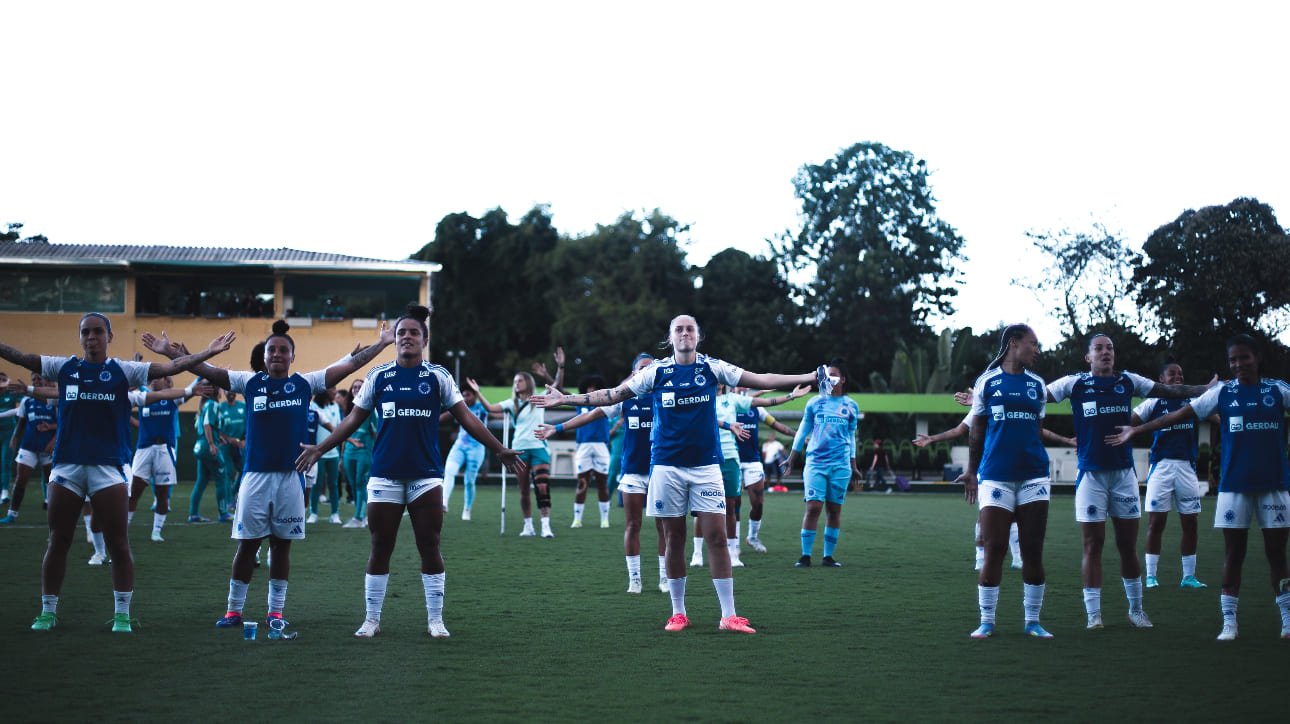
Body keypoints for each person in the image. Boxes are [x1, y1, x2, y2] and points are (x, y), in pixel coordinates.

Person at [533, 314, 829, 634]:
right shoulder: (655, 372)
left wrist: (812, 376)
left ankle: (728, 615)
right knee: (675, 538)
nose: (685, 333)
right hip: (667, 467)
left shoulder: (712, 367)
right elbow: (612, 395)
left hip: (706, 467)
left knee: (716, 537)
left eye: (690, 329)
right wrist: (566, 399)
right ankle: (678, 612)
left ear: (698, 336)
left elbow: (761, 378)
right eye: (679, 329)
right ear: (670, 337)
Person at [146, 319, 391, 637]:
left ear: (292, 356)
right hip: (255, 479)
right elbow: (209, 372)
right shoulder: (250, 383)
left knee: (281, 546)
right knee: (247, 545)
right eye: (271, 350)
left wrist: (382, 343)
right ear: (264, 357)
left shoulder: (305, 383)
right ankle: (234, 609)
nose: (276, 354)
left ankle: (276, 612)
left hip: (291, 478)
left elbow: (349, 365)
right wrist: (178, 353)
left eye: (283, 350)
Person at [296, 305, 524, 638]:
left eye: (413, 332)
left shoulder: (438, 376)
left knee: (430, 544)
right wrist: (320, 448)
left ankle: (435, 619)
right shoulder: (379, 376)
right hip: (385, 474)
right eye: (401, 332)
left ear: (424, 340)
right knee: (380, 546)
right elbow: (352, 421)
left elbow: (467, 417)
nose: (406, 337)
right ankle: (371, 619)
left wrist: (499, 448)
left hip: (426, 476)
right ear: (395, 340)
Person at [0, 313, 234, 633]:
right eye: (86, 332)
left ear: (110, 336)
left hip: (108, 468)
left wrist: (209, 352)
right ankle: (47, 611)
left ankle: (122, 614)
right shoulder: (63, 367)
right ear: (79, 337)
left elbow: (170, 369)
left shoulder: (124, 371)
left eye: (98, 331)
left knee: (119, 544)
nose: (91, 337)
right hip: (67, 467)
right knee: (58, 541)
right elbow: (21, 356)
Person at [1107, 334, 1290, 640]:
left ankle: (1286, 618)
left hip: (1275, 486)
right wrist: (1137, 429)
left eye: (1244, 357)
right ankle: (1229, 622)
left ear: (1257, 358)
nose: (1239, 364)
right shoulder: (1222, 392)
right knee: (1234, 553)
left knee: (1277, 555)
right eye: (1233, 360)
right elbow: (1178, 414)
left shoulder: (1277, 390)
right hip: (1234, 487)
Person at [1046, 332, 1212, 630]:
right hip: (1091, 477)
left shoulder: (1129, 381)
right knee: (1092, 545)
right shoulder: (1074, 384)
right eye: (1098, 348)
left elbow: (1169, 391)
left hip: (1124, 476)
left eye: (1109, 348)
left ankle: (1136, 610)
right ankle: (1093, 615)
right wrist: (983, 395)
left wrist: (1206, 389)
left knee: (1127, 546)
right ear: (1088, 357)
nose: (1105, 352)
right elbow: (1033, 394)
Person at [955, 324, 1056, 639]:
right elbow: (977, 431)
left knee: (1032, 549)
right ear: (1014, 344)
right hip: (995, 476)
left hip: (1034, 475)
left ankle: (1033, 621)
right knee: (994, 548)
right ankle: (987, 621)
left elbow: (1036, 430)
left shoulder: (1037, 385)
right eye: (1033, 344)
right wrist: (972, 471)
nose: (1037, 350)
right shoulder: (986, 382)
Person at [536, 353, 666, 593]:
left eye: (651, 368)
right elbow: (590, 414)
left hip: (662, 470)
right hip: (633, 472)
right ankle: (635, 579)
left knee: (664, 527)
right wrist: (557, 427)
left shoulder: (666, 396)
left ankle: (664, 578)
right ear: (634, 373)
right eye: (641, 368)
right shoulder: (625, 398)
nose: (646, 371)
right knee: (632, 525)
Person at [916, 414, 1076, 571]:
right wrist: (932, 438)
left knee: (1014, 515)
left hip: (1016, 468)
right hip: (989, 470)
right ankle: (980, 559)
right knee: (984, 516)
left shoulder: (1016, 406)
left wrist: (1067, 440)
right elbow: (958, 430)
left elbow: (1039, 430)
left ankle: (1017, 558)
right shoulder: (982, 407)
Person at [692, 382, 805, 567]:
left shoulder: (734, 400)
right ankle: (697, 553)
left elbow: (766, 403)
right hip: (705, 457)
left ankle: (733, 552)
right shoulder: (699, 399)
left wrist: (791, 396)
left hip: (731, 457)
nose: (719, 381)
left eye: (722, 378)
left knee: (731, 506)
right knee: (701, 509)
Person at [1128, 359, 1209, 589]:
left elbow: (1216, 417)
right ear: (1161, 380)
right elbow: (1128, 423)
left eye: (1181, 374)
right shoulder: (1152, 402)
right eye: (1172, 375)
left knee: (1190, 522)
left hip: (1186, 467)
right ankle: (1152, 575)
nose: (1178, 378)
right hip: (1161, 468)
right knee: (1156, 523)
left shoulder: (1193, 401)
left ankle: (1189, 576)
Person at [476, 351, 563, 538]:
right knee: (523, 489)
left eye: (520, 381)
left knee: (542, 485)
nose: (516, 384)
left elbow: (557, 387)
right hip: (519, 449)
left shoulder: (539, 398)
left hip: (539, 447)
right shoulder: (510, 403)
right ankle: (528, 525)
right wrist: (478, 393)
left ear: (528, 383)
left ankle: (545, 525)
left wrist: (560, 367)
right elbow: (490, 409)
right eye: (515, 382)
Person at [783, 359, 860, 568]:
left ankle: (828, 557)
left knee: (834, 511)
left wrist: (854, 465)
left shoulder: (851, 406)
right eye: (827, 375)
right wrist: (792, 457)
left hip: (841, 465)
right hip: (816, 463)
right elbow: (802, 431)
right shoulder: (814, 403)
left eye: (834, 375)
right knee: (814, 507)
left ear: (843, 379)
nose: (830, 379)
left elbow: (851, 437)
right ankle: (805, 555)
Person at [127, 375, 207, 541]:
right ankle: (124, 527)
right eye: (152, 379)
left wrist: (200, 373)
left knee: (163, 494)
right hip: (144, 449)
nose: (155, 380)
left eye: (159, 378)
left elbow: (191, 389)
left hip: (165, 450)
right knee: (133, 492)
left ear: (167, 382)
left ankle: (156, 531)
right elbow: (128, 388)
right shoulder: (143, 396)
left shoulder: (172, 399)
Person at [734, 389, 798, 555]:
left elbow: (777, 425)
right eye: (739, 386)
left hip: (753, 462)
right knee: (734, 504)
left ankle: (752, 537)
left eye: (745, 387)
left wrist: (797, 435)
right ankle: (734, 543)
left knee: (758, 503)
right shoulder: (728, 405)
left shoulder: (757, 409)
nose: (742, 390)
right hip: (731, 460)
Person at [0, 374, 58, 524]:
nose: (37, 382)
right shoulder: (27, 401)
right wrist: (15, 438)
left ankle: (55, 515)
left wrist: (53, 441)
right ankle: (12, 514)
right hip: (29, 447)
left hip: (48, 449)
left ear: (45, 381)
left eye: (39, 379)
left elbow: (64, 424)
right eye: (34, 380)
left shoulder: (54, 400)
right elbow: (21, 422)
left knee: (51, 482)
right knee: (20, 481)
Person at [568, 374, 614, 529]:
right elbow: (562, 392)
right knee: (582, 483)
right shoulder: (580, 404)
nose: (591, 390)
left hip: (601, 446)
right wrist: (559, 369)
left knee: (603, 484)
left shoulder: (606, 403)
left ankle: (604, 519)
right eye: (589, 387)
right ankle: (577, 519)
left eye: (595, 387)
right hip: (583, 447)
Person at [443, 380, 489, 521]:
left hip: (476, 449)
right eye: (463, 395)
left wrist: (478, 392)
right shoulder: (460, 407)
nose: (465, 398)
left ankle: (467, 509)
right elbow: (445, 416)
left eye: (468, 395)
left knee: (469, 481)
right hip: (460, 446)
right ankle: (443, 502)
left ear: (474, 395)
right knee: (449, 470)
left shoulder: (481, 408)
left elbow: (492, 409)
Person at [189, 386, 229, 523]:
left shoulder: (204, 406)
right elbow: (207, 425)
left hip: (200, 446)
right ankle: (223, 513)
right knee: (221, 479)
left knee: (201, 481)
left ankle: (193, 514)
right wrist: (212, 443)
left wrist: (218, 438)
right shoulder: (213, 404)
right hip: (208, 447)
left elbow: (201, 426)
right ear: (216, 391)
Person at [341, 378, 377, 528]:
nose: (356, 389)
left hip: (364, 451)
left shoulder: (370, 409)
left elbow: (377, 433)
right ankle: (363, 515)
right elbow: (343, 433)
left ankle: (360, 517)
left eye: (359, 387)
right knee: (353, 483)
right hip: (349, 452)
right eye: (354, 387)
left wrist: (379, 453)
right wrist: (342, 456)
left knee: (361, 483)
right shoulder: (348, 409)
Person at [308, 388, 343, 524]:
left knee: (333, 484)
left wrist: (340, 454)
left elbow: (339, 428)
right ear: (324, 391)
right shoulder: (313, 407)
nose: (335, 391)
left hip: (333, 453)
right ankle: (313, 513)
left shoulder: (335, 406)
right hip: (318, 453)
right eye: (333, 389)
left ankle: (335, 514)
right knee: (316, 484)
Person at [218, 389, 247, 502]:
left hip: (240, 445)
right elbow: (217, 428)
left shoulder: (242, 406)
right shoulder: (221, 407)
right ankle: (230, 501)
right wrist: (229, 439)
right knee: (228, 473)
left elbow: (248, 424)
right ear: (224, 393)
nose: (230, 393)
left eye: (232, 391)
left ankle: (234, 493)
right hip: (225, 445)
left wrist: (244, 440)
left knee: (244, 470)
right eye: (227, 392)